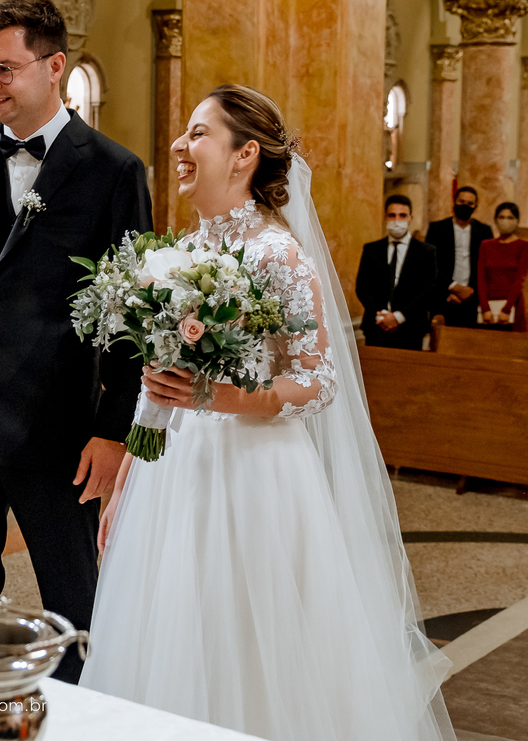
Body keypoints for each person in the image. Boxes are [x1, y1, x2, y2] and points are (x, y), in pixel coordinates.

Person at [80, 85, 454, 741]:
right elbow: (160, 381)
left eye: (199, 133)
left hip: (255, 478)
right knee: (173, 635)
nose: (180, 144)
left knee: (249, 643)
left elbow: (318, 381)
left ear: (244, 153)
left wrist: (219, 397)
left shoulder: (277, 255)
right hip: (175, 476)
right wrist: (131, 478)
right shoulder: (183, 251)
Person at [0, 0, 152, 684]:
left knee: (75, 605)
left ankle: (82, 717)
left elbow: (130, 313)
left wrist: (113, 432)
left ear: (54, 67)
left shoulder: (113, 170)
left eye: (5, 69)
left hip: (59, 429)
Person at [356, 194, 437, 349]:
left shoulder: (426, 251)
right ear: (385, 217)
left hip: (411, 328)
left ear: (410, 218)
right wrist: (381, 316)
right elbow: (362, 287)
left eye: (402, 215)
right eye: (392, 215)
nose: (397, 220)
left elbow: (428, 289)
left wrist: (398, 317)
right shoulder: (371, 249)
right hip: (376, 327)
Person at [426, 186, 492, 328]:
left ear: (475, 206)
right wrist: (451, 289)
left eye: (470, 203)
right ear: (454, 202)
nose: (465, 206)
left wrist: (469, 292)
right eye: (461, 201)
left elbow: (486, 267)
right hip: (443, 298)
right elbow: (430, 265)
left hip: (472, 299)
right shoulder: (437, 229)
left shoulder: (484, 231)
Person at [477, 202, 528, 332]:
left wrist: (506, 309)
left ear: (517, 221)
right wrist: (485, 308)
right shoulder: (486, 245)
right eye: (502, 217)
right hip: (488, 306)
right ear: (495, 220)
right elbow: (481, 278)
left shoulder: (523, 246)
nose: (505, 221)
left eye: (510, 218)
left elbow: (519, 279)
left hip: (512, 306)